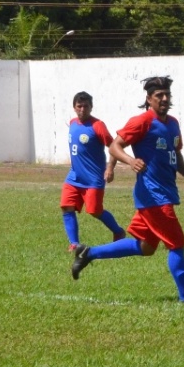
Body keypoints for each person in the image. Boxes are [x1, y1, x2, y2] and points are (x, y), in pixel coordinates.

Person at [71, 76, 184, 303]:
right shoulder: (142, 122)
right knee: (176, 243)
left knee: (146, 247)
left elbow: (175, 152)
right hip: (152, 195)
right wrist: (130, 161)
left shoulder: (173, 123)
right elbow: (114, 146)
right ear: (149, 99)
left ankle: (88, 253)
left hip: (165, 192)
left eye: (167, 94)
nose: (164, 99)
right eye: (159, 95)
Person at [60, 91, 126, 252]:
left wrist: (110, 168)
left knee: (94, 210)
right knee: (66, 206)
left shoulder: (98, 126)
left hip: (93, 178)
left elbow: (114, 147)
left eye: (86, 106)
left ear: (91, 107)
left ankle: (118, 231)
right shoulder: (73, 123)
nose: (82, 109)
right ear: (74, 107)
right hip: (74, 176)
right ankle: (74, 243)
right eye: (79, 106)